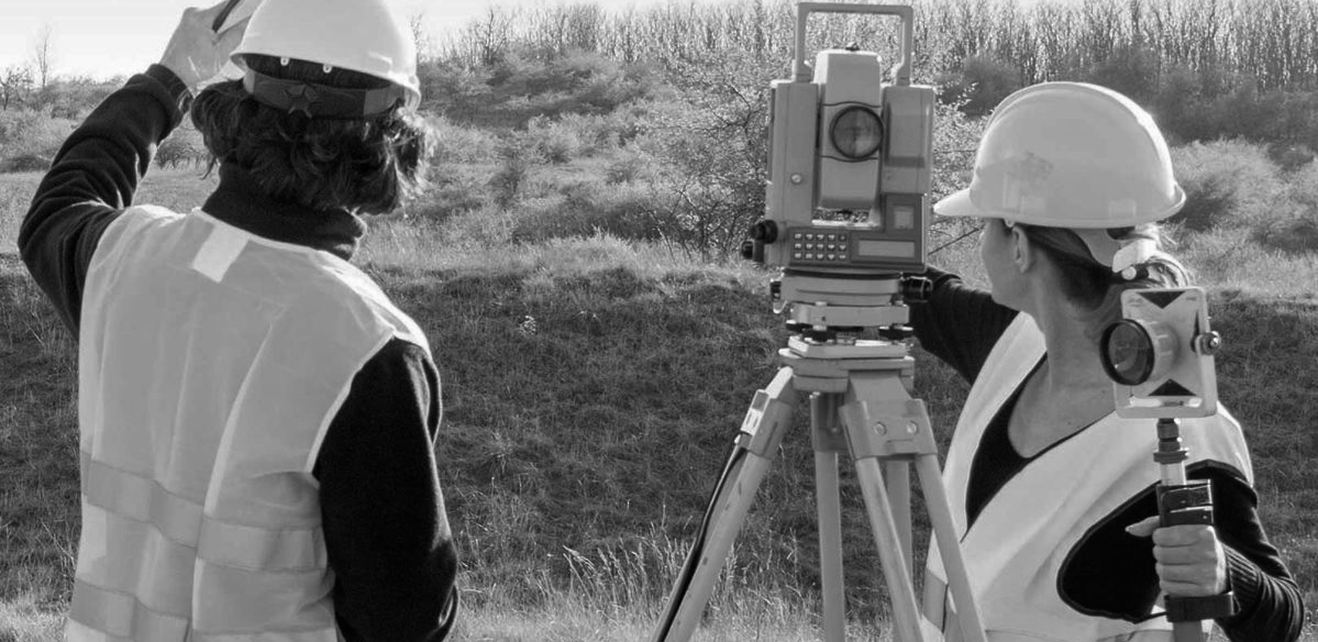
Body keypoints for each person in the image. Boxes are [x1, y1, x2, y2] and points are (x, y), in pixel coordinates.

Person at [18, 1, 458, 640]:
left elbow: (60, 205)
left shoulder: (123, 259)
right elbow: (404, 621)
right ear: (394, 142)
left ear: (233, 113)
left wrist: (172, 75)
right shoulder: (370, 349)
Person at [912, 82, 1304, 641]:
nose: (979, 244)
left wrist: (1222, 571)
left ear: (1019, 245)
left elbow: (1283, 620)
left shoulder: (1186, 428)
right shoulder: (1012, 343)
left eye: (984, 224)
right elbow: (918, 291)